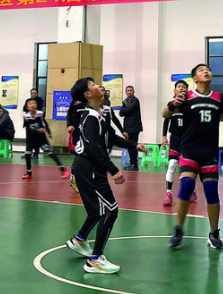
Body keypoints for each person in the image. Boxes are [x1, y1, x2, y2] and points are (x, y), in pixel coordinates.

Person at [65, 77, 145, 274]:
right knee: (111, 211)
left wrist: (134, 145)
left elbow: (112, 137)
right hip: (90, 168)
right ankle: (95, 259)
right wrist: (113, 169)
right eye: (93, 85)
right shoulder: (91, 118)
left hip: (89, 168)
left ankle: (80, 239)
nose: (98, 86)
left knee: (96, 211)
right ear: (88, 94)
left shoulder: (99, 115)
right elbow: (95, 149)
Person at [166, 64, 223, 250]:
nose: (206, 71)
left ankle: (214, 233)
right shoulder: (187, 97)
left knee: (211, 192)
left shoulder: (218, 97)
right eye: (201, 70)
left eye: (207, 69)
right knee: (186, 186)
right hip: (189, 151)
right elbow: (165, 114)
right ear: (195, 78)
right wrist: (173, 104)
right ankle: (178, 229)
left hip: (209, 154)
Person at [22, 99, 68, 179]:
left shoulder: (40, 114)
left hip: (41, 138)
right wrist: (37, 130)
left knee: (50, 153)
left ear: (36, 106)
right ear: (27, 107)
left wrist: (48, 132)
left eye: (34, 104)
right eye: (30, 104)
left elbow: (45, 124)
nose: (32, 106)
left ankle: (63, 168)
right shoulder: (26, 116)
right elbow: (28, 128)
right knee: (28, 155)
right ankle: (29, 173)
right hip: (31, 138)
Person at [162, 80, 190, 207]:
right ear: (175, 90)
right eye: (179, 87)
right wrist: (164, 136)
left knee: (187, 168)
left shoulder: (189, 105)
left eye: (184, 87)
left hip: (187, 140)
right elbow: (166, 120)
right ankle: (168, 194)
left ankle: (192, 191)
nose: (181, 89)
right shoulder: (171, 104)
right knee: (172, 165)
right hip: (175, 140)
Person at [118, 86, 143, 170]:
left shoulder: (135, 101)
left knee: (133, 145)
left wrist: (124, 108)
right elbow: (121, 113)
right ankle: (131, 162)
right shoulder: (126, 101)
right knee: (129, 145)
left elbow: (128, 110)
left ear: (133, 92)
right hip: (127, 127)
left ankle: (134, 164)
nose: (129, 92)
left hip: (134, 127)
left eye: (131, 90)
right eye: (128, 90)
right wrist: (124, 109)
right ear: (125, 92)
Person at [24, 89, 46, 158]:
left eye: (34, 93)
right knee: (29, 138)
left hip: (36, 121)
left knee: (36, 138)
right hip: (29, 120)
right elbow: (24, 108)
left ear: (37, 93)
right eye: (32, 93)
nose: (33, 94)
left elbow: (39, 108)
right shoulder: (28, 100)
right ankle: (28, 153)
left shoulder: (39, 100)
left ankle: (36, 153)